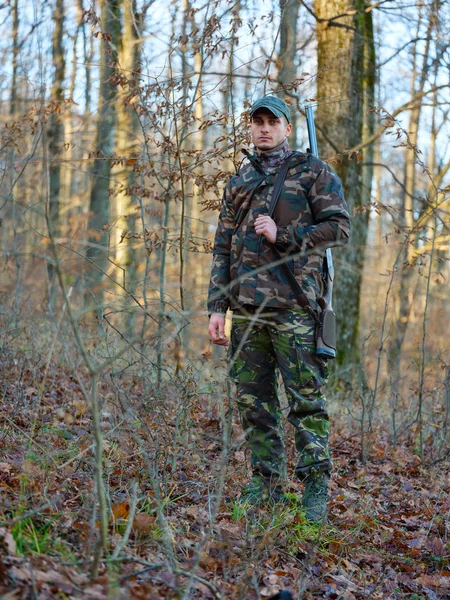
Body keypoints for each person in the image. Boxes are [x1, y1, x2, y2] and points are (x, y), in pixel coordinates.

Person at [207, 96, 350, 522]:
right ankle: (266, 483)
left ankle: (315, 489)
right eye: (258, 122)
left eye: (273, 122)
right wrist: (217, 307)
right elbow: (222, 246)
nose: (265, 129)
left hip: (296, 309)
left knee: (306, 400)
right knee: (254, 401)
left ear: (288, 127)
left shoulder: (314, 172)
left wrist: (282, 234)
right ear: (250, 127)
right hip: (248, 311)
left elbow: (338, 229)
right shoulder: (240, 180)